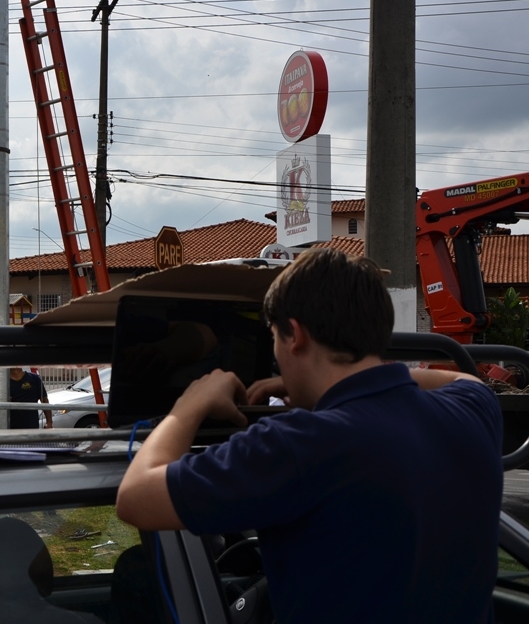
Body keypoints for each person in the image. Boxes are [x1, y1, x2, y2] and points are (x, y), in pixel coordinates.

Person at [115, 248, 503, 624]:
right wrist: (316, 385)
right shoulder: (471, 411)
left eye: (274, 339)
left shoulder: (299, 443)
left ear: (295, 335)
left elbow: (135, 499)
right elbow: (463, 379)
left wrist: (189, 405)